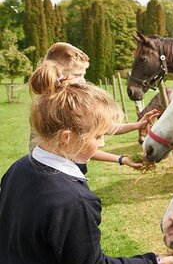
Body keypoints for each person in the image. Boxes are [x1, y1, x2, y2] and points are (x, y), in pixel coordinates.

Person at [0, 62, 173, 264]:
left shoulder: (18, 169)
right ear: (67, 138)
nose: (103, 143)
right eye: (98, 136)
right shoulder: (74, 200)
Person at [29, 42, 159, 169]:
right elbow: (82, 148)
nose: (83, 81)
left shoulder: (48, 104)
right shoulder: (59, 110)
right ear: (58, 74)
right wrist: (121, 159)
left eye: (84, 75)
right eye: (78, 75)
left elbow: (106, 127)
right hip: (58, 174)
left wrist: (137, 125)